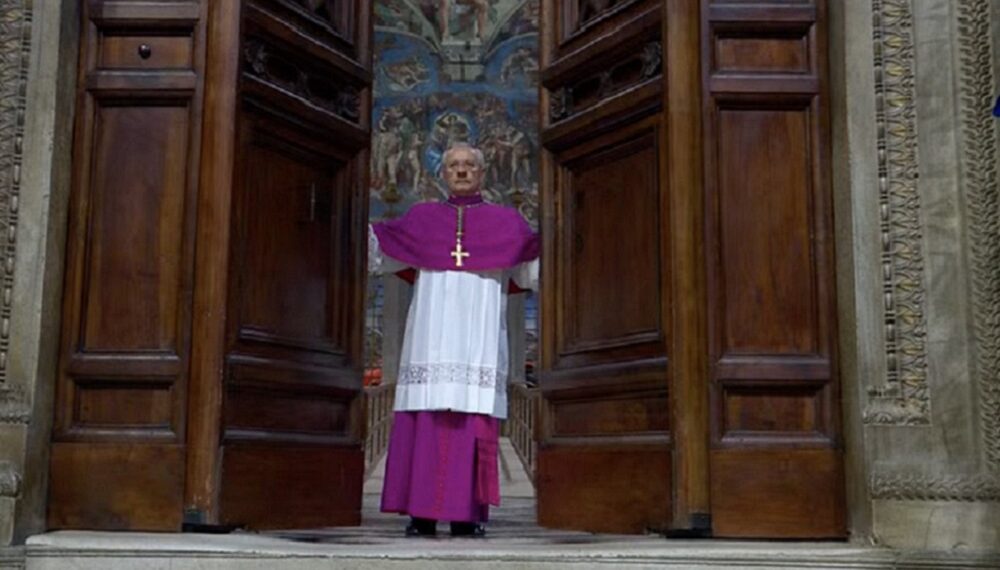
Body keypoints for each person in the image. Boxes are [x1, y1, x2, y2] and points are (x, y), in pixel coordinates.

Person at [369, 143, 539, 537]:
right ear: (441, 174)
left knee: (472, 426)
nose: (461, 171)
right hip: (430, 338)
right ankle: (421, 515)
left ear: (482, 173)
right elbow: (380, 253)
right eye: (453, 166)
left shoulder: (507, 222)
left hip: (479, 339)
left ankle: (467, 516)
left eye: (469, 166)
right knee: (425, 424)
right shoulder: (421, 218)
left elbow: (531, 270)